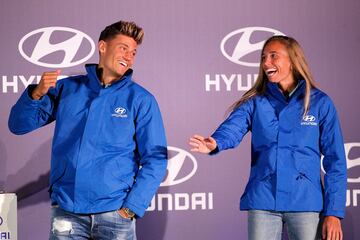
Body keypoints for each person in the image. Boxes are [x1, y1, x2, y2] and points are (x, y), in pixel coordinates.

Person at [9, 20, 168, 240]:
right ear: (102, 46)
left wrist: (131, 207)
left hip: (115, 215)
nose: (129, 56)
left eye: (133, 52)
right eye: (123, 48)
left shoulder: (141, 99)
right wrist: (36, 93)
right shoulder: (68, 89)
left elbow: (156, 159)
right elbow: (18, 125)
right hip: (67, 213)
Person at [189, 36, 347, 240]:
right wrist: (216, 142)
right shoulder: (256, 101)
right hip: (263, 201)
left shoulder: (320, 103)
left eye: (274, 56)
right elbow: (233, 128)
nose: (266, 63)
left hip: (305, 203)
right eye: (263, 57)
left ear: (292, 60)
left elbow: (336, 162)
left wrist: (333, 212)